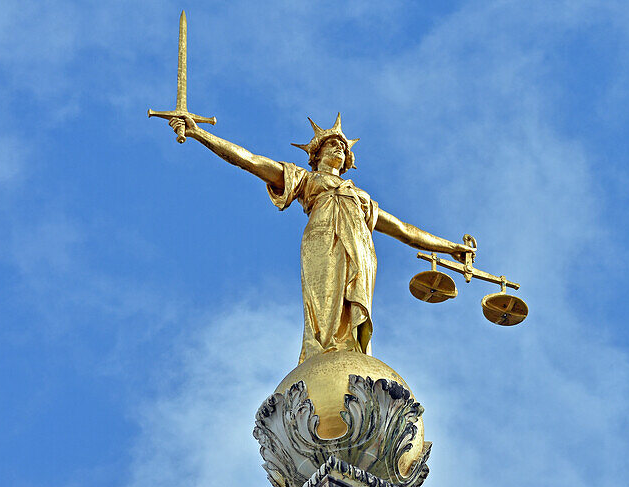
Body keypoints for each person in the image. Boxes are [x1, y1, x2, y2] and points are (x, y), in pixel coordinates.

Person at [166, 114, 476, 362]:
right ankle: (323, 352)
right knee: (325, 305)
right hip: (323, 242)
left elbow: (404, 230)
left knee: (353, 307)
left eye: (343, 148)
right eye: (333, 146)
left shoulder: (361, 198)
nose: (339, 151)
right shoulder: (307, 180)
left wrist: (452, 248)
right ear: (317, 154)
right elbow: (250, 160)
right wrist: (199, 134)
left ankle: (352, 352)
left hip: (360, 250)